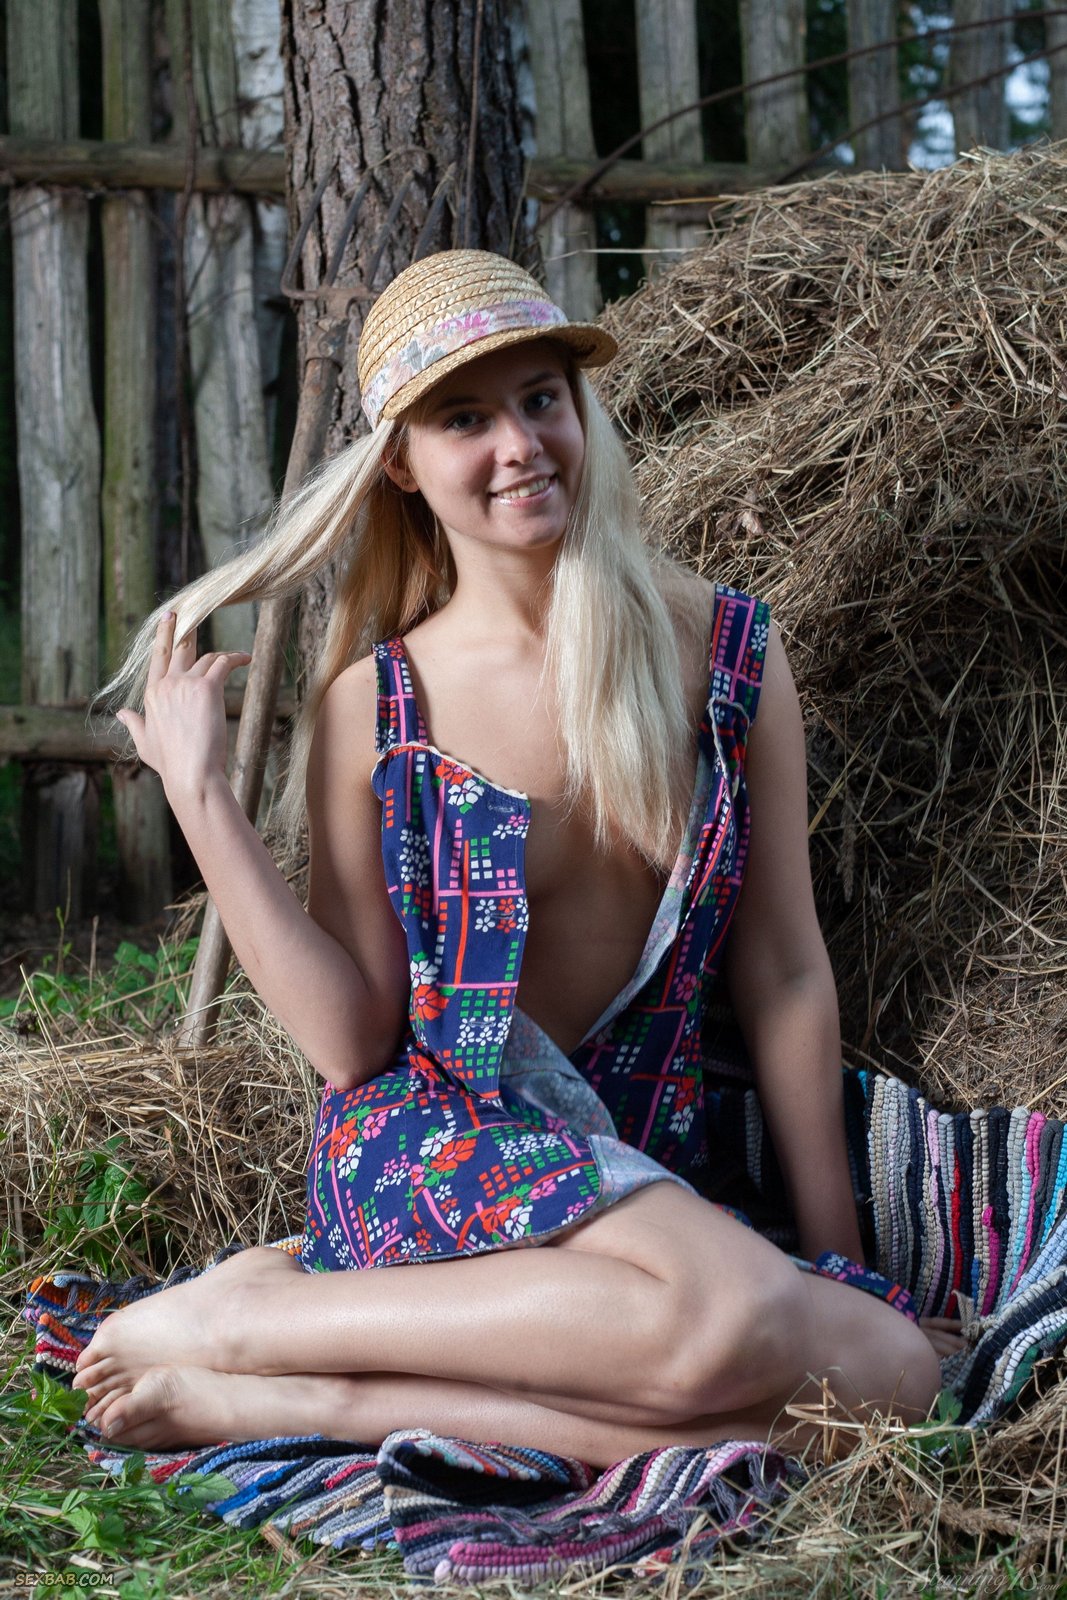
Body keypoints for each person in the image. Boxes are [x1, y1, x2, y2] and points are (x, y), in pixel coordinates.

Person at [72, 250, 948, 1465]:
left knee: (894, 1375)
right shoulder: (380, 707)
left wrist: (840, 1259)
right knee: (733, 1315)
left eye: (541, 398)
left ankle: (308, 1393)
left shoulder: (728, 654)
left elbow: (785, 975)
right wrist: (202, 797)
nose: (519, 445)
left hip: (638, 1174)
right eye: (464, 419)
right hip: (439, 1146)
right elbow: (352, 1042)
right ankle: (246, 1320)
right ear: (401, 463)